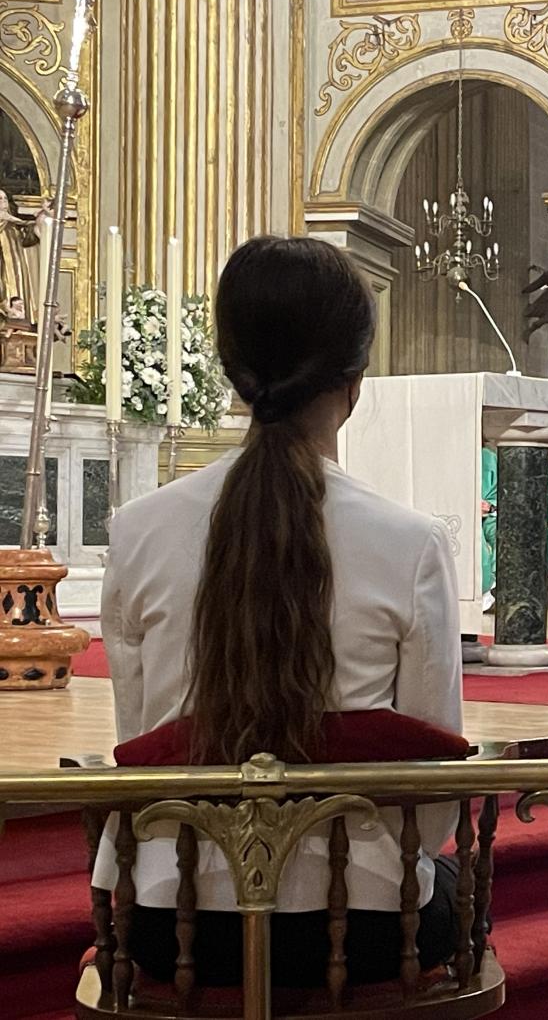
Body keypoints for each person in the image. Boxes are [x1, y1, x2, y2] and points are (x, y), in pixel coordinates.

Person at [93, 236, 463, 986]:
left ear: (233, 373)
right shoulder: (412, 543)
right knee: (454, 897)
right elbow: (436, 810)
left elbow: (140, 748)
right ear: (355, 381)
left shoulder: (137, 530)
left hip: (172, 918)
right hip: (359, 923)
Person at [481, 444, 497, 592]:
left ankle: (494, 588)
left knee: (501, 535)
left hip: (487, 519)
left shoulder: (488, 458)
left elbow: (502, 490)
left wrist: (490, 506)